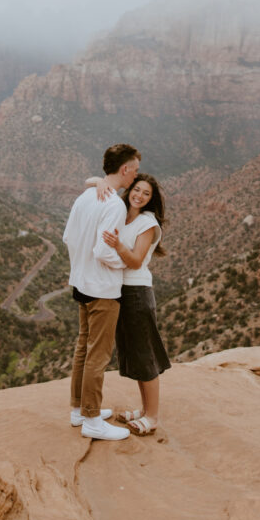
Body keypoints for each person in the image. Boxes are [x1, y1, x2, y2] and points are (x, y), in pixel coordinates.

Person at [63, 143, 141, 440]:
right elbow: (103, 251)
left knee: (83, 348)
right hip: (103, 290)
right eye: (133, 170)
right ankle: (92, 420)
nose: (135, 176)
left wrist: (81, 265)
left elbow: (68, 237)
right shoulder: (114, 205)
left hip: (81, 284)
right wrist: (126, 262)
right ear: (124, 169)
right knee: (98, 355)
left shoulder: (85, 197)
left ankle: (78, 409)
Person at [102, 173, 170, 436]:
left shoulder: (147, 222)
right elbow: (97, 183)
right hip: (123, 292)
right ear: (129, 189)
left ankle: (152, 417)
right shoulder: (124, 215)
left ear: (151, 200)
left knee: (145, 355)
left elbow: (136, 261)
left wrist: (117, 244)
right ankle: (144, 410)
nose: (139, 196)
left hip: (137, 292)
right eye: (137, 190)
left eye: (146, 194)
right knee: (138, 354)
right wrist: (99, 183)